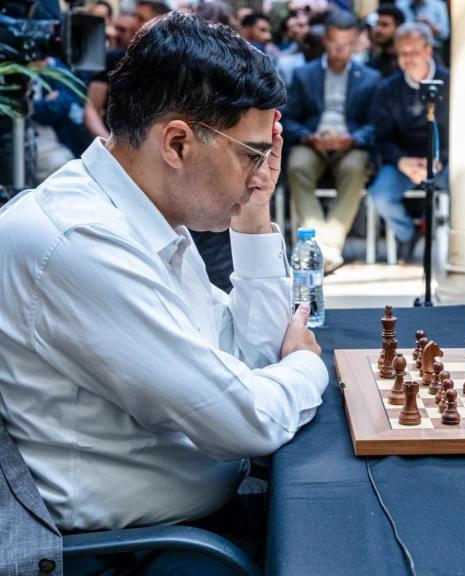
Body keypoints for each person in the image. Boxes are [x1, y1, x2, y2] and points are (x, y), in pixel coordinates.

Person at [0, 10, 326, 544]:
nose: (262, 170)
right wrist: (307, 365)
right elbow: (246, 420)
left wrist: (251, 209)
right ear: (176, 144)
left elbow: (252, 357)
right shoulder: (79, 240)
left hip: (198, 522)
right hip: (141, 552)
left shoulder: (143, 214)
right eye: (253, 154)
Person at [282, 10, 380, 271]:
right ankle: (326, 248)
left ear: (356, 42)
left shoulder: (370, 78)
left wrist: (353, 139)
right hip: (313, 143)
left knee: (355, 167)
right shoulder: (305, 74)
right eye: (336, 44)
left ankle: (323, 247)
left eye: (347, 45)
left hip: (350, 146)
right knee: (297, 165)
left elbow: (375, 124)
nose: (341, 51)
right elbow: (288, 119)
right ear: (325, 40)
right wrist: (308, 137)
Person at [368, 22, 449, 262]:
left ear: (428, 50)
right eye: (403, 53)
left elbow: (461, 133)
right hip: (403, 161)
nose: (407, 58)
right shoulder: (388, 89)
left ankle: (457, 242)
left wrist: (439, 160)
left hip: (442, 160)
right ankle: (407, 234)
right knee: (380, 196)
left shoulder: (451, 82)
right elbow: (382, 136)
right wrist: (401, 161)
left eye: (413, 52)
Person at [83, 1, 170, 140]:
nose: (131, 23)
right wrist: (107, 143)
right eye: (133, 16)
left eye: (140, 18)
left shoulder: (170, 67)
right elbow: (91, 107)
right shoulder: (115, 59)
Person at [367, 5, 406, 77]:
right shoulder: (371, 65)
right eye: (377, 24)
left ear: (399, 28)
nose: (378, 29)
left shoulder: (409, 61)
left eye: (384, 25)